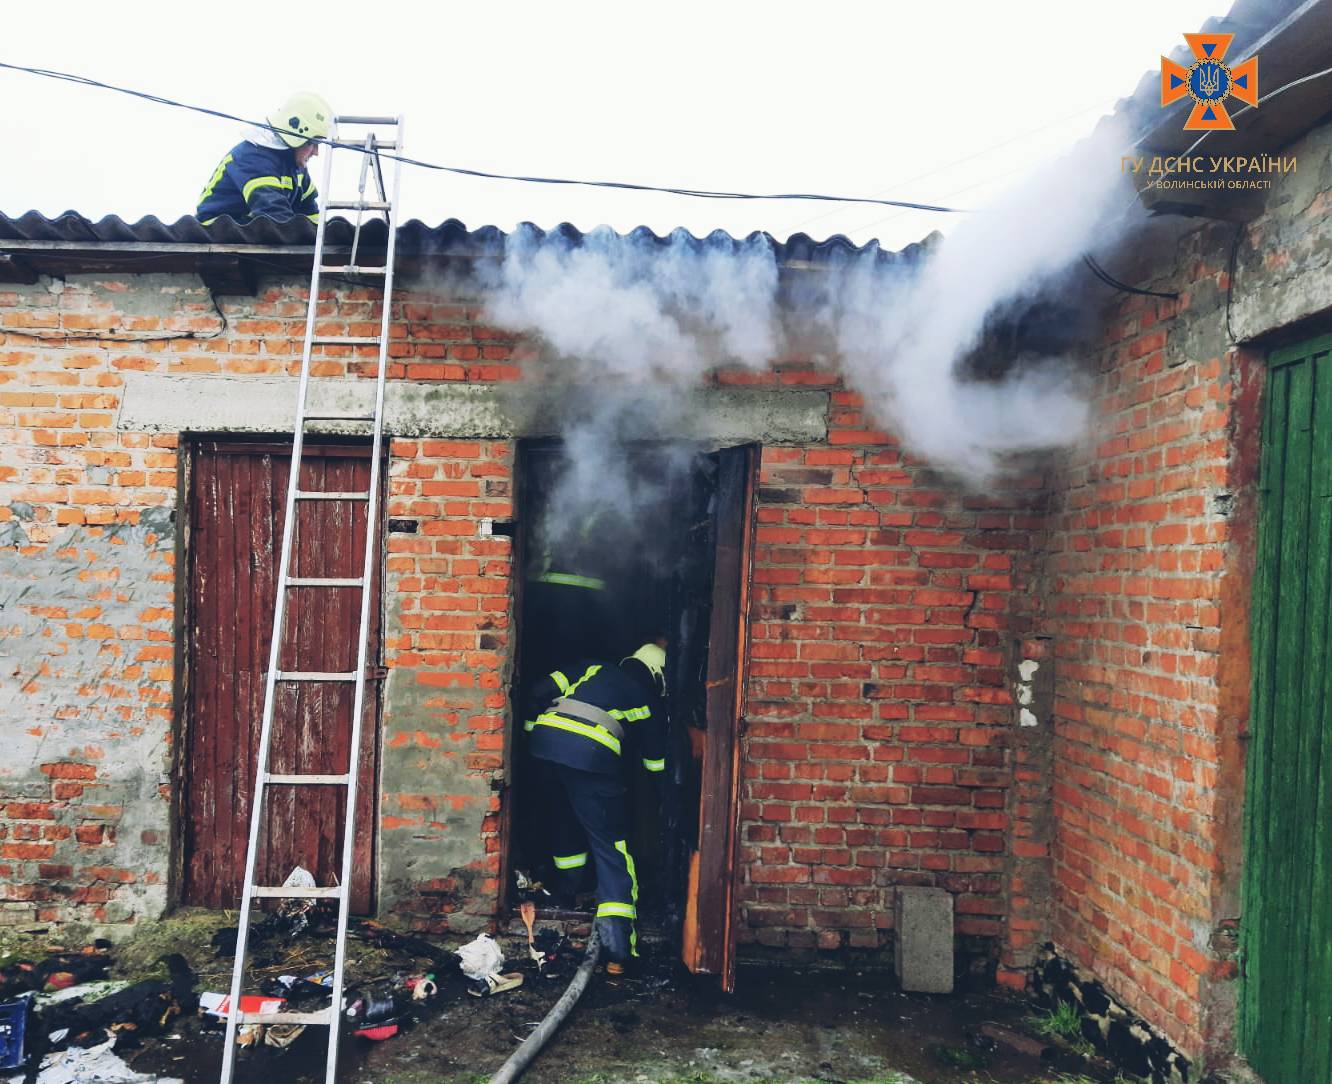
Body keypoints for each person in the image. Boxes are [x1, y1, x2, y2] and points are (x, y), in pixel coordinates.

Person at [525, 642, 668, 966]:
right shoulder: (647, 699)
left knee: (564, 822)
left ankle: (567, 894)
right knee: (612, 847)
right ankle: (619, 947)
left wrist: (532, 734)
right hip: (589, 757)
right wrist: (667, 805)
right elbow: (657, 764)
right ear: (658, 677)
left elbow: (539, 690)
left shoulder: (592, 666)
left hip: (542, 748)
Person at [196, 92, 332, 225]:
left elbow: (311, 215)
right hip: (217, 229)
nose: (316, 152)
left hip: (249, 230)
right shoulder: (253, 157)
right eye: (313, 143)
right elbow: (273, 212)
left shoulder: (297, 169)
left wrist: (325, 233)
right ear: (297, 133)